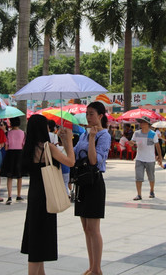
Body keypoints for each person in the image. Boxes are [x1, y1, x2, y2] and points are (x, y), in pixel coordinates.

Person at [20, 114, 75, 275]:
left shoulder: (29, 148)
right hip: (47, 194)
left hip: (34, 194)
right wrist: (69, 142)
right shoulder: (48, 147)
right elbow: (70, 162)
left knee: (35, 235)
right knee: (40, 238)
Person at [73, 101, 111, 275]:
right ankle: (91, 266)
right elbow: (73, 155)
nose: (88, 117)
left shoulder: (104, 135)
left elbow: (95, 161)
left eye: (91, 114)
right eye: (87, 114)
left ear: (101, 116)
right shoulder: (84, 134)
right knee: (86, 228)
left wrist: (92, 138)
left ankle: (97, 268)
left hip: (94, 182)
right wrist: (65, 139)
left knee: (94, 229)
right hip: (82, 182)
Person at [129, 116, 162, 200]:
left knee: (151, 177)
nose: (141, 124)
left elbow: (157, 146)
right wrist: (131, 143)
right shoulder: (136, 133)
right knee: (138, 177)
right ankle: (139, 194)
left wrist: (160, 158)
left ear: (148, 124)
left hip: (150, 159)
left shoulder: (153, 134)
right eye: (140, 122)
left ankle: (151, 190)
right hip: (139, 158)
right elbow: (133, 142)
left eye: (143, 122)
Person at [3, 117, 26, 205]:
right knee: (19, 176)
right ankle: (19, 195)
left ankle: (9, 196)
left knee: (10, 176)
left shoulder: (7, 133)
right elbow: (24, 146)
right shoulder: (23, 133)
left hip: (10, 154)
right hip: (20, 154)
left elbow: (6, 147)